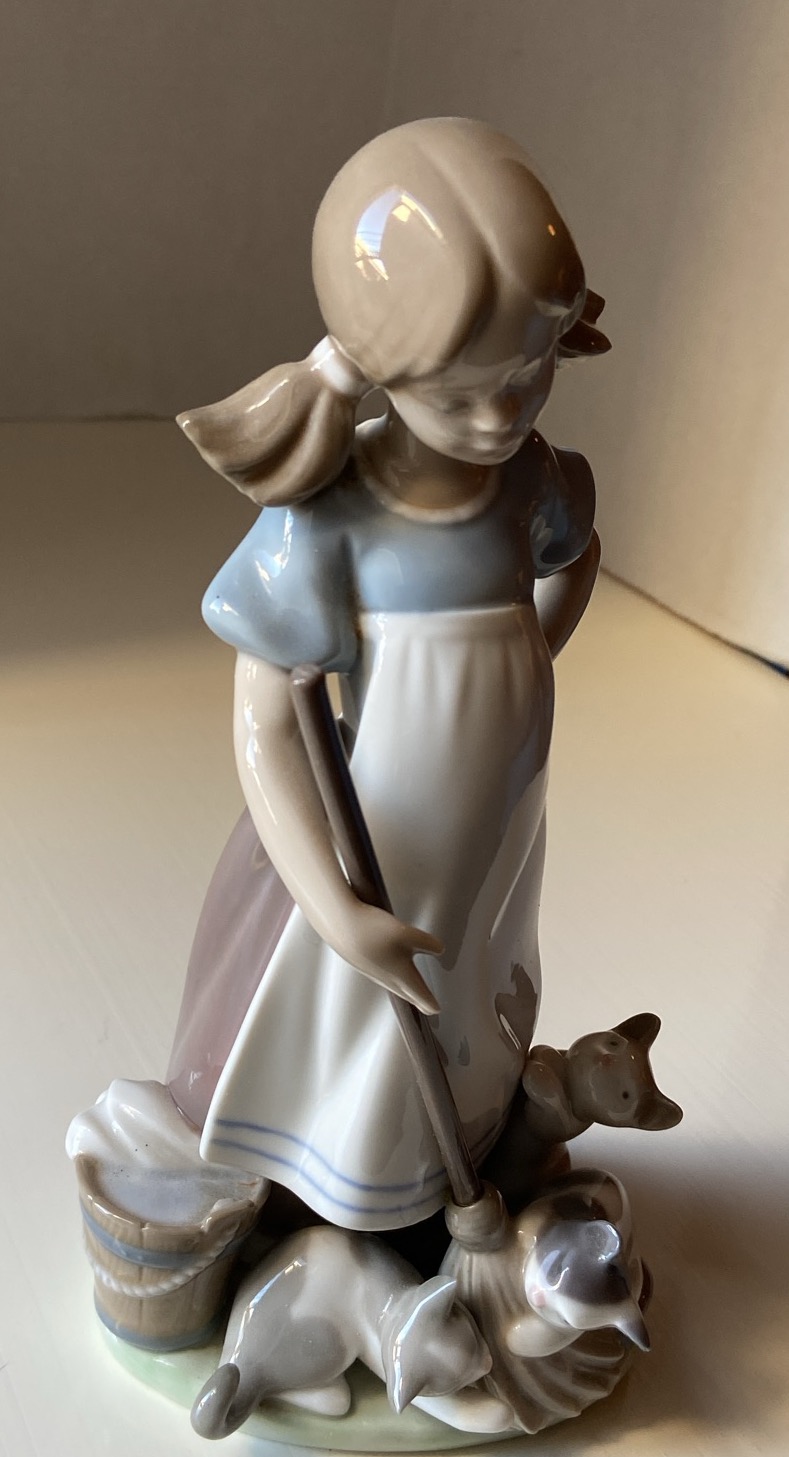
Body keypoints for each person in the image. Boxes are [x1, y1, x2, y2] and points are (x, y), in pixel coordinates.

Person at [166, 118, 609, 1233]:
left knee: (477, 982)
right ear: (375, 370)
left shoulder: (528, 482)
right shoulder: (334, 519)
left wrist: (524, 668)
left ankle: (467, 1146)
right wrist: (336, 908)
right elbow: (271, 724)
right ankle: (343, 1200)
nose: (500, 418)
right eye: (458, 396)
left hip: (498, 825)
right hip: (382, 839)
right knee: (365, 1019)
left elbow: (575, 556)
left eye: (529, 374)